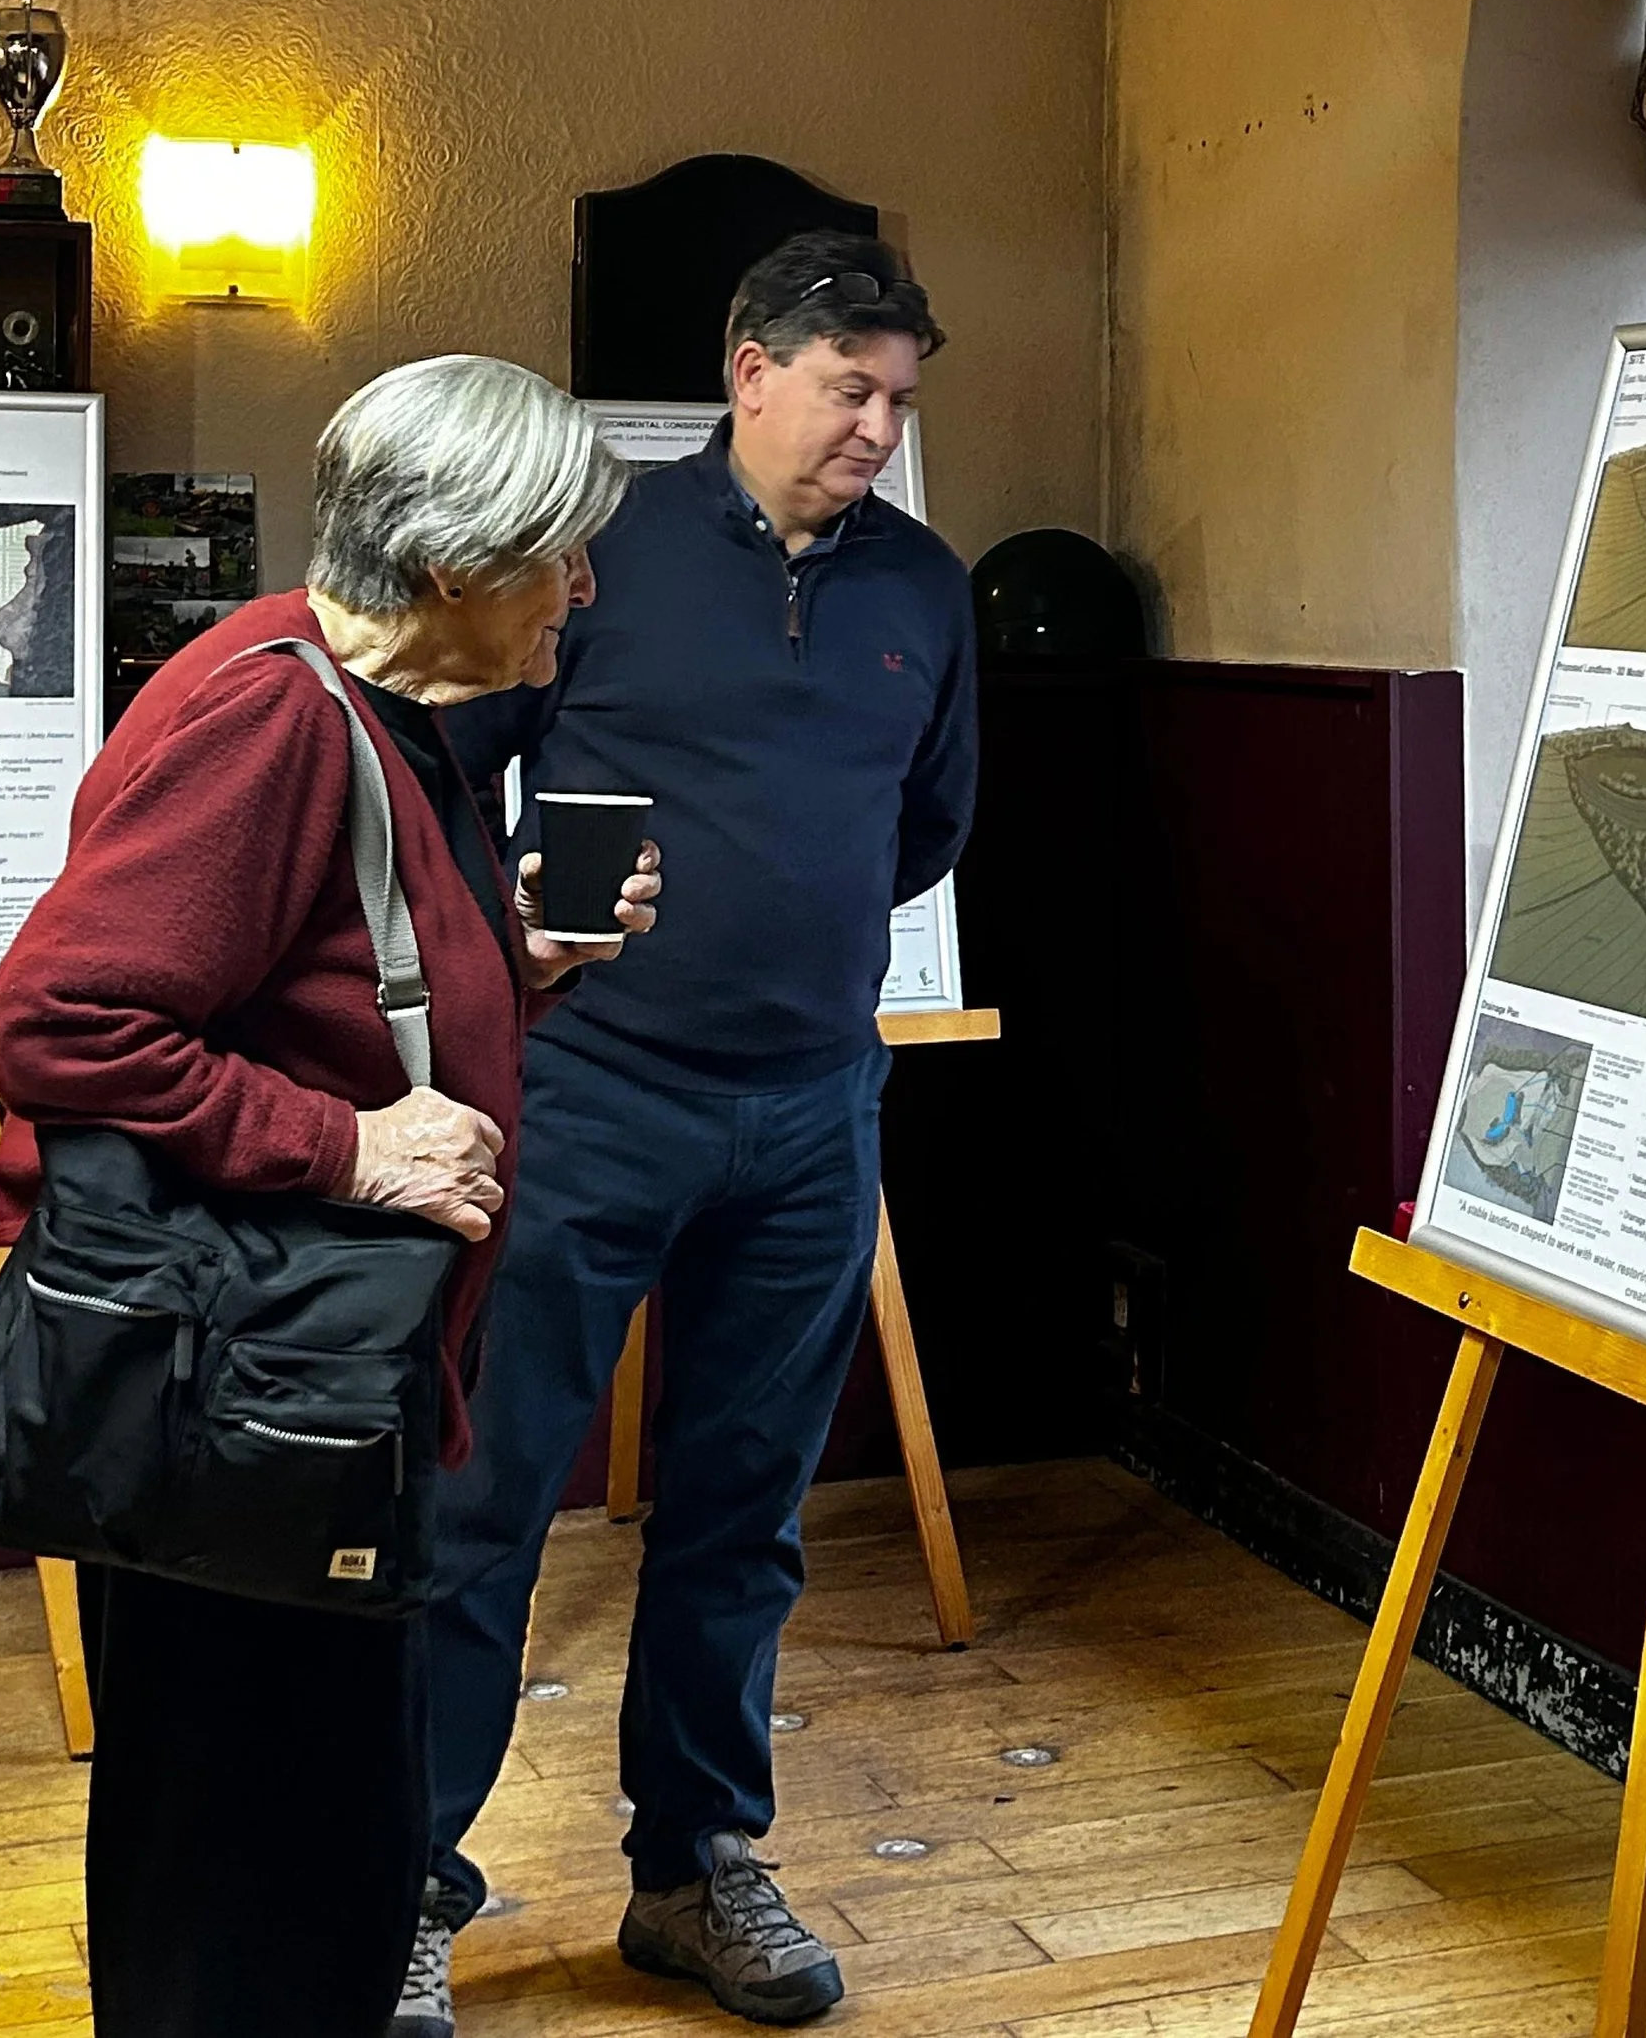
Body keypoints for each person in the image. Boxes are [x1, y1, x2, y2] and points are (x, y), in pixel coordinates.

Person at [0, 356, 657, 2038]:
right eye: (559, 552)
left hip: (315, 1390)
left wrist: (520, 963)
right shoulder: (273, 715)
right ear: (450, 564)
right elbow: (59, 1020)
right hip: (243, 1401)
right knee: (243, 1872)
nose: (583, 588)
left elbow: (327, 978)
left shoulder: (372, 705)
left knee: (317, 1849)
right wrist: (350, 1149)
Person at [402, 235, 977, 2035]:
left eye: (899, 400)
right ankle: (404, 1880)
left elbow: (924, 830)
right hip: (590, 1095)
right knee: (486, 1493)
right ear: (749, 370)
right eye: (848, 390)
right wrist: (514, 936)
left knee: (744, 1512)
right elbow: (436, 770)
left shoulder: (928, 592)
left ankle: (696, 1865)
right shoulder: (596, 557)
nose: (877, 428)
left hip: (814, 1110)